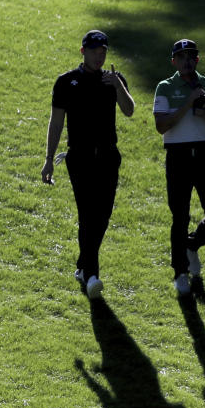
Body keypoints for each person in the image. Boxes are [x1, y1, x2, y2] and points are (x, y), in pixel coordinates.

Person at [41, 29, 135, 298]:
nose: (99, 55)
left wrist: (118, 86)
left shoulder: (113, 80)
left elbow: (129, 110)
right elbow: (56, 122)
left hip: (108, 155)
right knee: (87, 213)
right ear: (83, 52)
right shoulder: (66, 82)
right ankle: (93, 275)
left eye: (103, 50)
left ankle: (83, 266)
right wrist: (49, 159)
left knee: (102, 215)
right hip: (79, 157)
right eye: (94, 50)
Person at [152, 39, 205, 296]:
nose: (187, 61)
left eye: (191, 56)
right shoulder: (164, 87)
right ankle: (180, 272)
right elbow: (162, 126)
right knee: (180, 216)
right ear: (173, 61)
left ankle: (192, 245)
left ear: (197, 60)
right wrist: (188, 103)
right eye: (181, 56)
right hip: (178, 156)